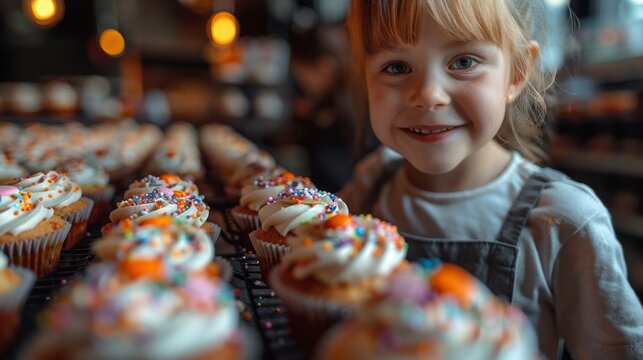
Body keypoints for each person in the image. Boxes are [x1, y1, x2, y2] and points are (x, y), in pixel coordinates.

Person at [338, 1, 643, 359]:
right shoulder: (370, 184)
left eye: (463, 62)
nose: (429, 95)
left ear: (516, 72)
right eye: (396, 66)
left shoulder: (563, 221)